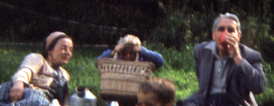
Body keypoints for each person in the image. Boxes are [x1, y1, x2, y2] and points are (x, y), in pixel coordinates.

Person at [176, 13, 267, 106]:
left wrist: (237, 57)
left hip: (235, 102)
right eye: (221, 29)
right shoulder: (201, 51)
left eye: (230, 30)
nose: (226, 33)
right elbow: (202, 83)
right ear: (214, 35)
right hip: (206, 100)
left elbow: (259, 87)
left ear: (238, 36)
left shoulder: (251, 55)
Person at [0, 31, 73, 106]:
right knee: (37, 100)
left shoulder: (64, 74)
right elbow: (25, 71)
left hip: (48, 101)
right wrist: (18, 84)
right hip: (27, 95)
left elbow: (64, 98)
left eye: (70, 50)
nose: (68, 53)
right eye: (63, 48)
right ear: (50, 50)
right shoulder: (38, 59)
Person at [95, 34, 165, 106]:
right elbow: (97, 62)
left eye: (132, 53)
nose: (128, 56)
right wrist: (113, 52)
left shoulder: (142, 60)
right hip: (118, 93)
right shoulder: (117, 61)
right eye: (125, 53)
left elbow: (160, 61)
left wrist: (142, 51)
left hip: (138, 95)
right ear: (121, 53)